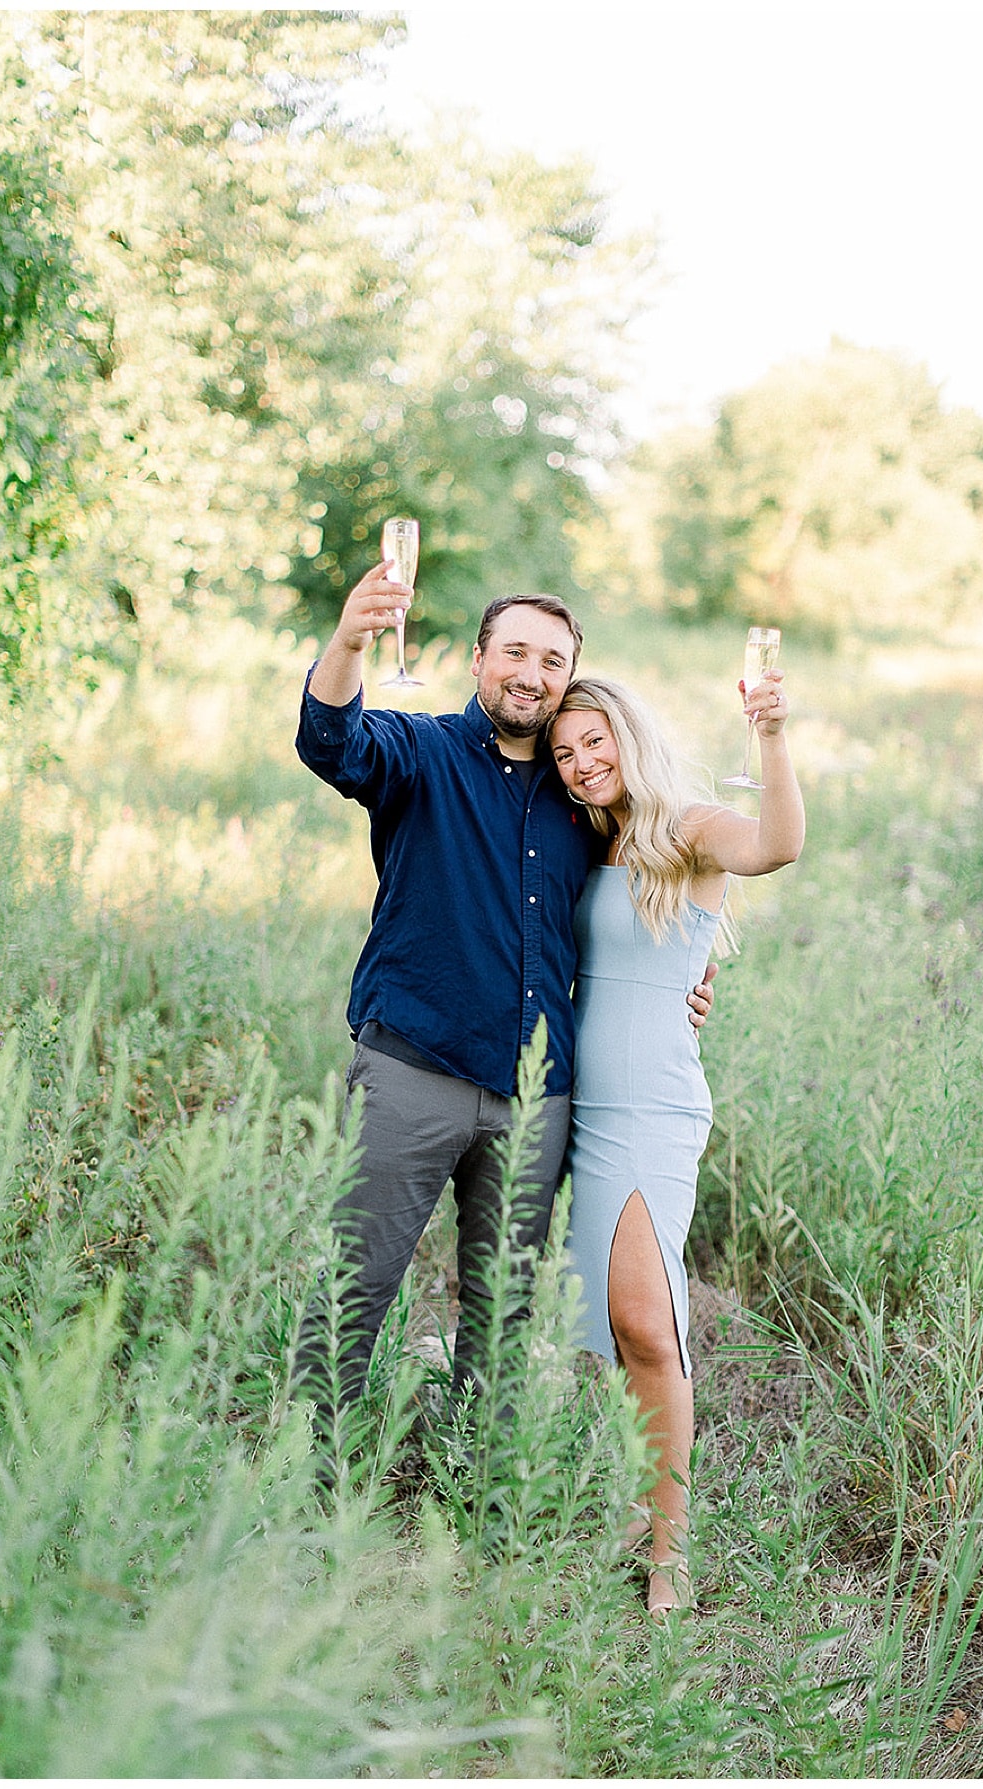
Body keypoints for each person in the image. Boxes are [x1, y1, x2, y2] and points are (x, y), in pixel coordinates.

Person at [291, 559, 715, 1482]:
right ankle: (304, 1472)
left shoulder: (585, 798)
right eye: (514, 650)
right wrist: (351, 636)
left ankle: (467, 1472)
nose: (531, 671)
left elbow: (654, 901)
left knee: (500, 1307)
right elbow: (331, 740)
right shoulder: (423, 755)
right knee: (356, 1284)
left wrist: (697, 978)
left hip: (536, 1096)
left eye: (552, 659)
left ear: (569, 677)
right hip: (416, 1068)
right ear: (479, 660)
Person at [548, 665, 805, 1617]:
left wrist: (772, 735)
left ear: (627, 735)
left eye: (594, 743)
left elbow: (777, 844)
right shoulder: (582, 840)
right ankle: (636, 1509)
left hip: (653, 1109)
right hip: (585, 1110)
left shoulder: (687, 829)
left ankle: (671, 1553)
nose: (579, 765)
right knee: (618, 1330)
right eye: (566, 754)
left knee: (652, 1327)